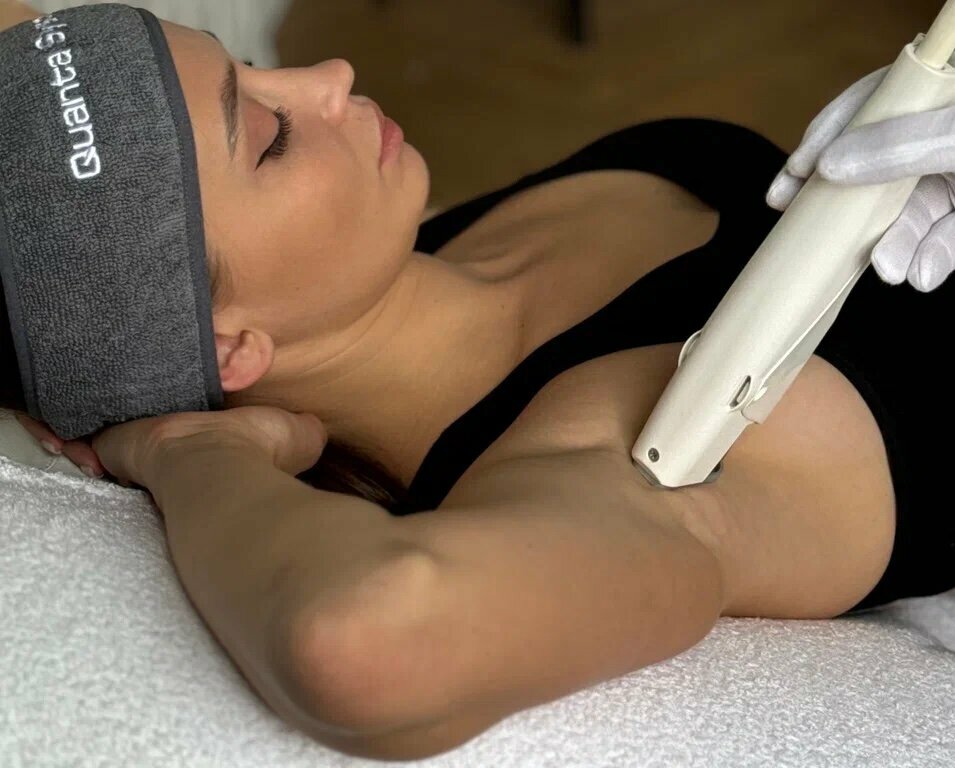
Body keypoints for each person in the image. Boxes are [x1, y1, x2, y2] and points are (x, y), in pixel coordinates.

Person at [1, 1, 952, 761]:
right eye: (266, 134)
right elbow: (361, 640)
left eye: (247, 63)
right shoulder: (618, 441)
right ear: (229, 346)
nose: (329, 76)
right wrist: (190, 454)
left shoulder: (411, 262)